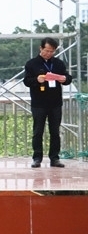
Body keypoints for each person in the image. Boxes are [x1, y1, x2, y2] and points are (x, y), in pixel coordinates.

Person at [23, 37, 72, 168]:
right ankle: (37, 158)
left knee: (55, 132)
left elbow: (68, 78)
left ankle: (54, 158)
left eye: (52, 51)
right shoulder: (32, 64)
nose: (49, 53)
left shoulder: (58, 63)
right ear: (41, 48)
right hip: (39, 103)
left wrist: (64, 79)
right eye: (47, 50)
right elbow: (26, 81)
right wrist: (37, 80)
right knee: (38, 131)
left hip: (55, 103)